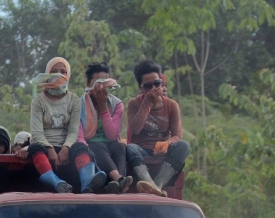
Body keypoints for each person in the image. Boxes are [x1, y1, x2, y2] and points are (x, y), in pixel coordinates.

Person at [20, 57, 106, 193]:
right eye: (54, 71)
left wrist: (65, 149)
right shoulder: (38, 101)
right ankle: (56, 182)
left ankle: (87, 182)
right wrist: (50, 149)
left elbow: (73, 131)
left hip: (67, 145)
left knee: (81, 147)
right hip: (45, 145)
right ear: (48, 74)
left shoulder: (73, 100)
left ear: (68, 75)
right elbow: (36, 132)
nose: (59, 75)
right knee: (35, 147)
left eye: (63, 72)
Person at [126, 60, 191, 196]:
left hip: (163, 150)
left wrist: (166, 144)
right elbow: (135, 129)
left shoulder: (171, 105)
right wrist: (147, 102)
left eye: (157, 84)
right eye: (148, 86)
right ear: (141, 87)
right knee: (130, 148)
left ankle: (157, 185)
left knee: (183, 146)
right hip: (142, 150)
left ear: (162, 84)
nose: (154, 89)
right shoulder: (134, 104)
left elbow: (177, 135)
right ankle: (148, 183)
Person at [78, 62, 133, 194]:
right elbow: (79, 134)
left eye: (105, 82)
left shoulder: (116, 104)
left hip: (111, 142)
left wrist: (103, 108)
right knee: (97, 146)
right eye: (97, 82)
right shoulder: (79, 105)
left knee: (120, 146)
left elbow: (112, 135)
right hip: (91, 143)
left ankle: (114, 185)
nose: (102, 87)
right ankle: (119, 180)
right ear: (88, 84)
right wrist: (84, 148)